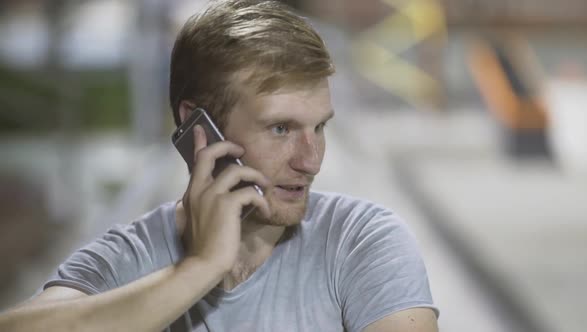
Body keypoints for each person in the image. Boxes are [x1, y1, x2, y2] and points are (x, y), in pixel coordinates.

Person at [0, 0, 439, 331]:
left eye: (320, 127)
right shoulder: (131, 255)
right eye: (281, 129)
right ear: (199, 129)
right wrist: (200, 268)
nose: (311, 160)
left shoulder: (364, 241)